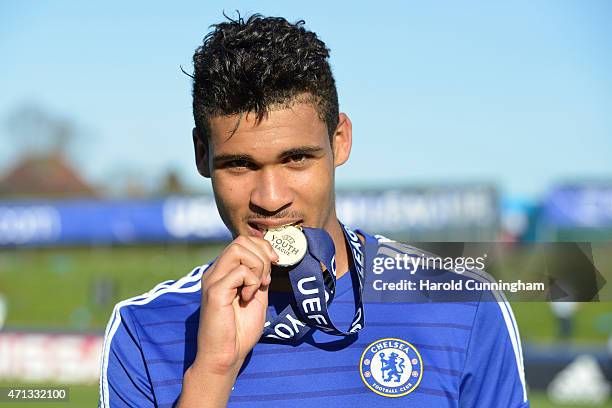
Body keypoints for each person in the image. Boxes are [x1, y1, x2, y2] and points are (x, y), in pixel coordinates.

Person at [99, 13, 529, 407]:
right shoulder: (144, 331)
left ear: (339, 141)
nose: (269, 198)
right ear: (201, 156)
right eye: (239, 164)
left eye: (296, 159)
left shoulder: (464, 304)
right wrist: (212, 372)